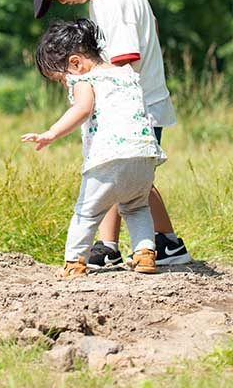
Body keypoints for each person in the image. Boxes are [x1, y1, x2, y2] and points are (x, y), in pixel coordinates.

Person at [16, 0, 191, 267]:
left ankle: (160, 243)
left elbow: (122, 66)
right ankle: (116, 245)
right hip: (140, 103)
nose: (60, 2)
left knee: (119, 173)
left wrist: (87, 94)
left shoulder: (114, 1)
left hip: (135, 108)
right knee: (124, 176)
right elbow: (150, 26)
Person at [21, 19, 165, 277]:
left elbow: (82, 108)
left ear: (76, 63)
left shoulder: (84, 80)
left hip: (108, 159)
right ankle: (145, 254)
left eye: (61, 78)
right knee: (137, 207)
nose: (64, 84)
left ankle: (75, 262)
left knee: (86, 212)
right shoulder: (127, 74)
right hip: (144, 155)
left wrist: (51, 133)